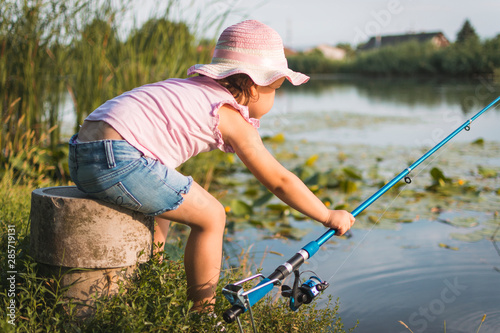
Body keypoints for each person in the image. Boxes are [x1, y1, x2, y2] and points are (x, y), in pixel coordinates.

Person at [68, 20, 355, 312]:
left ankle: (147, 284)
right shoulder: (229, 115)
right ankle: (202, 314)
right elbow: (279, 180)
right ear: (253, 85)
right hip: (120, 159)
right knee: (213, 216)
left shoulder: (189, 89)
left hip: (80, 153)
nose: (275, 97)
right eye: (276, 88)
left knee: (166, 199)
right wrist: (327, 214)